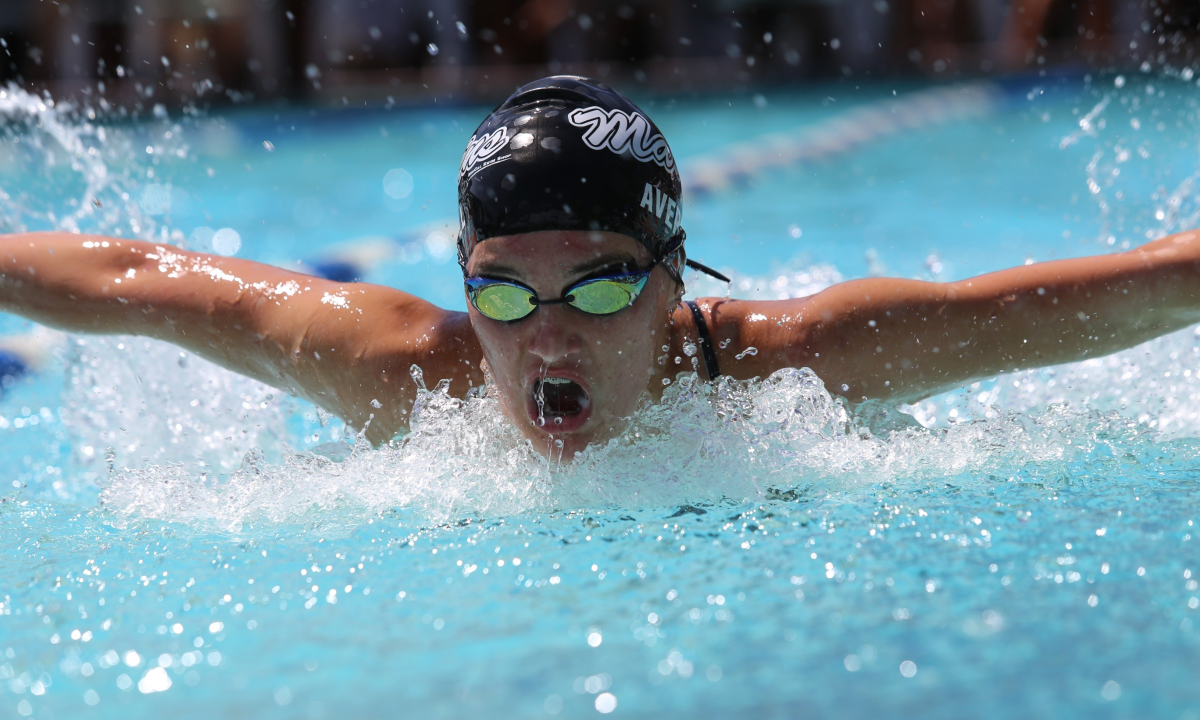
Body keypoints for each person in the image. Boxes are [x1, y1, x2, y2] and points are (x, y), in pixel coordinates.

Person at [1, 75, 1197, 457]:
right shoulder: (415, 377)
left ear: (679, 280)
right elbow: (131, 281)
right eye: (506, 292)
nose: (548, 337)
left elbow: (1121, 294)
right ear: (466, 280)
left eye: (606, 283)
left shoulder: (797, 369)